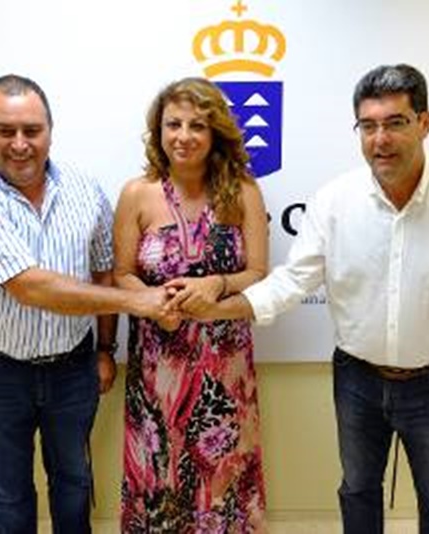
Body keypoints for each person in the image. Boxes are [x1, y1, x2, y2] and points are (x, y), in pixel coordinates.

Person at [177, 64, 429, 533]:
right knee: (358, 491)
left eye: (395, 123)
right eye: (368, 126)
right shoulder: (333, 201)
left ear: (425, 123)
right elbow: (291, 282)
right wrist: (219, 308)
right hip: (357, 380)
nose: (380, 139)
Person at [0, 74, 168, 534]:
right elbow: (30, 287)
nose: (19, 144)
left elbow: (103, 269)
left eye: (32, 130)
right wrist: (138, 301)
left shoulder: (85, 190)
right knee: (10, 489)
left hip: (73, 367)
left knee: (74, 480)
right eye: (4, 131)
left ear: (50, 130)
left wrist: (104, 349)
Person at [113, 77, 270, 532]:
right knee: (159, 476)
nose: (183, 136)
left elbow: (259, 274)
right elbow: (121, 274)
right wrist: (152, 300)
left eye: (197, 125)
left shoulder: (243, 190)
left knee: (221, 475)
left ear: (215, 131)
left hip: (225, 365)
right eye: (173, 124)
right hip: (158, 366)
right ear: (158, 131)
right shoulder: (137, 193)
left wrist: (217, 284)